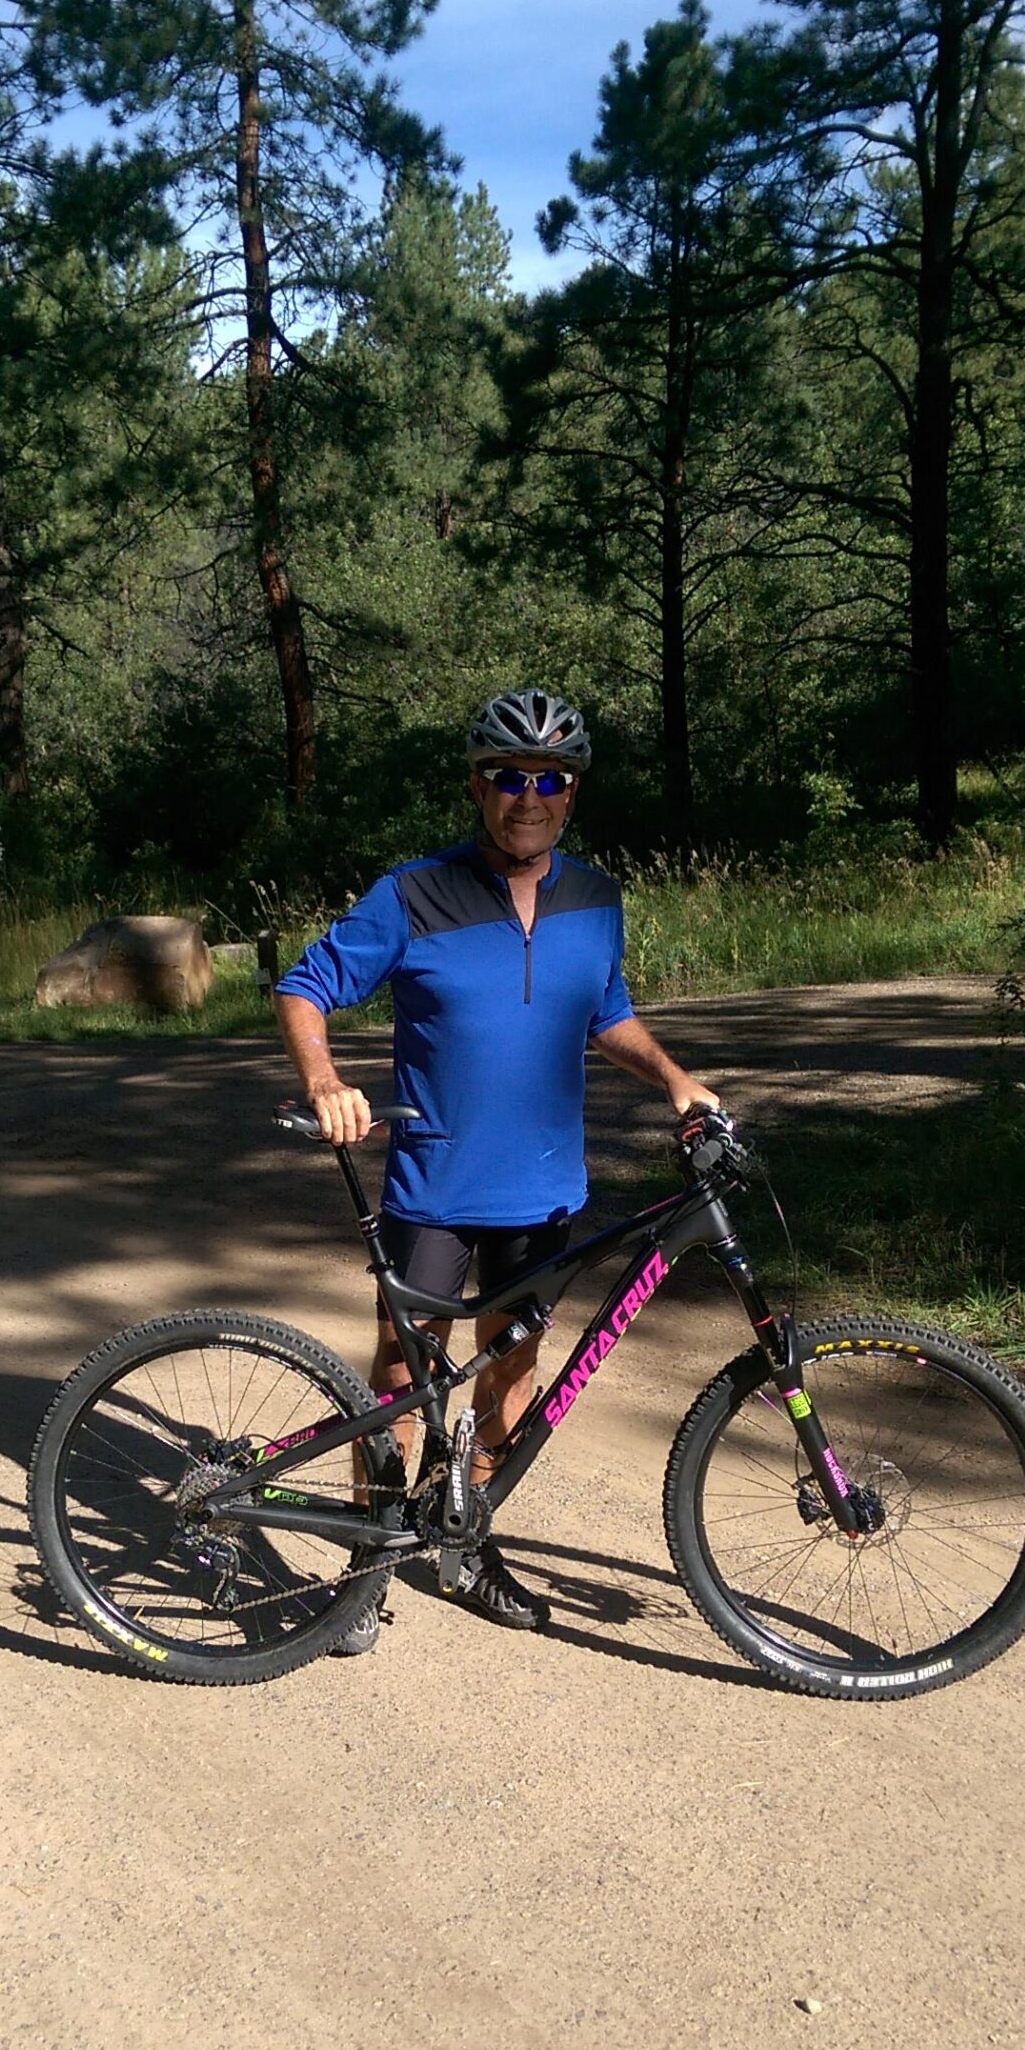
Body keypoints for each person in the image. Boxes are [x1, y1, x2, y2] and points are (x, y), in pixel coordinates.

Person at [274, 688, 719, 1650]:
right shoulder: (413, 893)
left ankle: (464, 1541)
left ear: (572, 793)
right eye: (510, 776)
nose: (530, 796)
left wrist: (675, 1078)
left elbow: (607, 1012)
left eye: (550, 780)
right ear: (478, 787)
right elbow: (304, 986)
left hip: (544, 1187)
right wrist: (325, 1080)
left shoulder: (597, 899)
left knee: (513, 1367)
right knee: (404, 1374)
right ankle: (367, 1568)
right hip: (434, 1185)